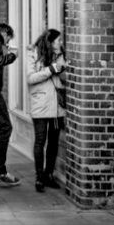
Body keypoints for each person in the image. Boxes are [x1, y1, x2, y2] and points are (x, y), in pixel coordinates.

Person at [27, 28, 66, 192]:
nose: (60, 43)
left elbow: (65, 78)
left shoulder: (62, 56)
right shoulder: (34, 54)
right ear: (50, 42)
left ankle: (49, 174)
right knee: (40, 140)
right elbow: (31, 78)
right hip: (41, 104)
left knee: (53, 142)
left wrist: (62, 70)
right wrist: (51, 69)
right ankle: (39, 177)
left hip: (57, 108)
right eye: (58, 41)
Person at [0, 23, 20, 186]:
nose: (8, 41)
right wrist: (13, 56)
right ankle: (0, 170)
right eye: (8, 38)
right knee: (6, 127)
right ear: (6, 33)